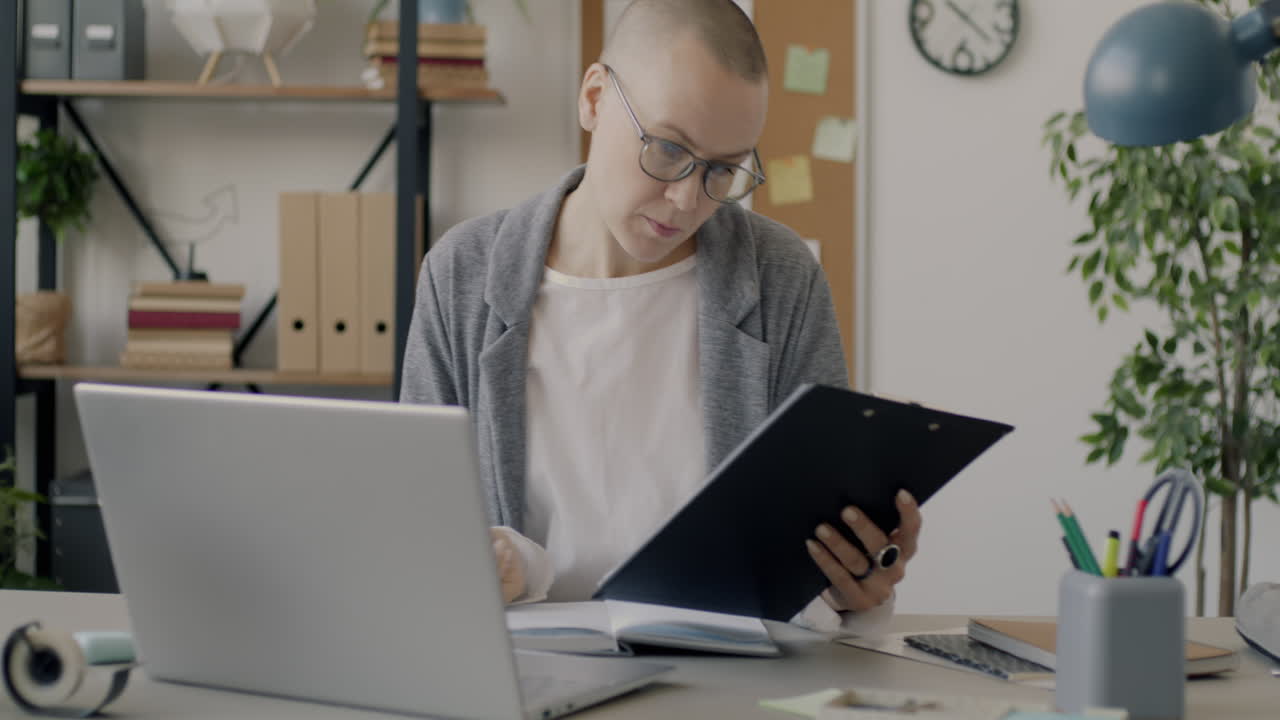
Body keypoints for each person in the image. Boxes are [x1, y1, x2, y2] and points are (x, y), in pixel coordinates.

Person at [400, 0, 921, 633]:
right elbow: (422, 532)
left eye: (723, 171)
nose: (686, 198)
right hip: (522, 669)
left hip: (728, 677)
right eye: (669, 150)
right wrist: (489, 561)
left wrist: (854, 578)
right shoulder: (463, 273)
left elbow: (808, 562)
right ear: (593, 98)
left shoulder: (780, 277)